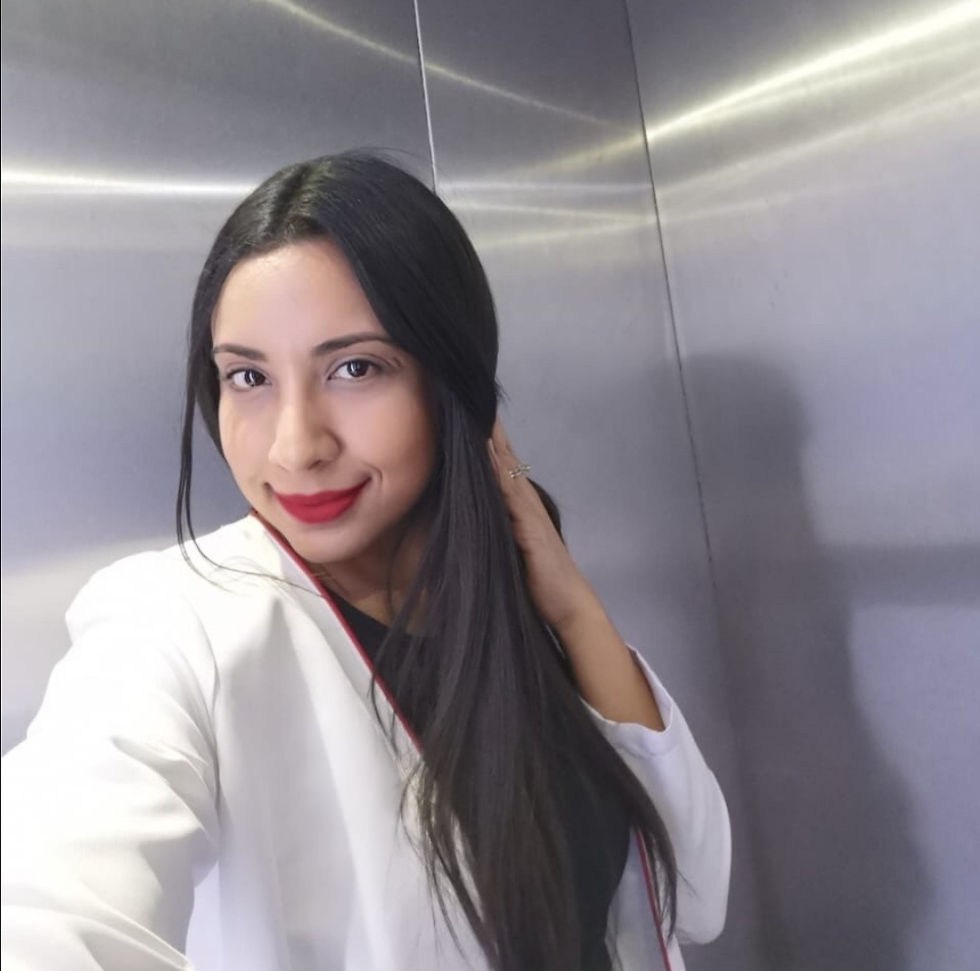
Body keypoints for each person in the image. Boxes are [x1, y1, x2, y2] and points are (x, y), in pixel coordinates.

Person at [1, 152, 730, 971]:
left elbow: (695, 892)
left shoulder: (510, 617)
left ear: (450, 380)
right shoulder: (173, 627)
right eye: (248, 376)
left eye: (354, 367)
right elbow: (45, 911)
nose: (296, 446)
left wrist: (573, 609)